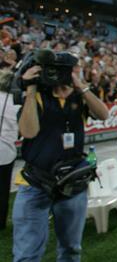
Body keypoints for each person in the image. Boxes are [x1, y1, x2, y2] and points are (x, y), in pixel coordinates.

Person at [13, 55, 109, 262]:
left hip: (72, 184)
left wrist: (81, 87)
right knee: (27, 255)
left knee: (71, 250)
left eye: (66, 71)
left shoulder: (78, 96)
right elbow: (28, 133)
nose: (59, 76)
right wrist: (30, 89)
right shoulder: (38, 95)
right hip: (36, 183)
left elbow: (104, 115)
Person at [0, 69, 20, 230]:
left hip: (6, 149)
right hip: (6, 151)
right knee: (3, 189)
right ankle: (1, 220)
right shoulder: (15, 103)